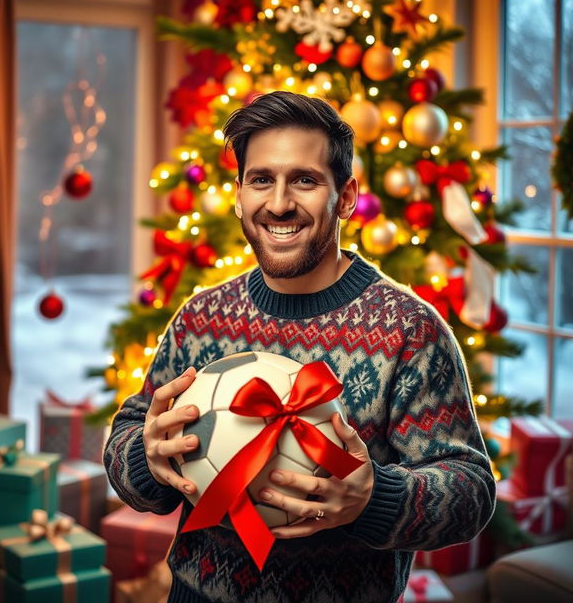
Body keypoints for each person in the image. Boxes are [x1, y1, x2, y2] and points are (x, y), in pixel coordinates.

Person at [104, 91, 496, 603]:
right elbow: (127, 438)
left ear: (347, 197)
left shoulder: (409, 330)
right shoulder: (200, 319)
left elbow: (471, 491)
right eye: (261, 179)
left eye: (305, 180)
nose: (279, 202)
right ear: (240, 192)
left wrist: (375, 497)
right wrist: (143, 456)